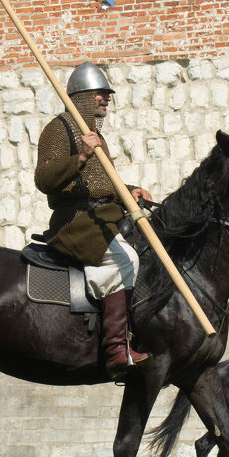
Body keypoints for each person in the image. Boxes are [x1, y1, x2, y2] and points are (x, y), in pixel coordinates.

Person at [35, 62, 152, 379]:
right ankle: (115, 350)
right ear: (83, 95)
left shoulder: (95, 135)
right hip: (75, 219)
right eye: (101, 93)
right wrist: (82, 156)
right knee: (122, 258)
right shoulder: (58, 129)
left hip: (103, 214)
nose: (107, 98)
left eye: (108, 94)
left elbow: (105, 184)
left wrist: (129, 191)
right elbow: (44, 179)